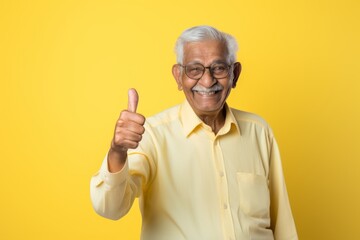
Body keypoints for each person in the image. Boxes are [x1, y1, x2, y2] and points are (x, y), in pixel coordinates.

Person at [90, 25, 298, 240]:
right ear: (179, 76)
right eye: (194, 69)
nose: (207, 81)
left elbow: (282, 224)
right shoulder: (151, 135)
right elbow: (109, 208)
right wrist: (117, 152)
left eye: (218, 68)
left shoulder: (259, 132)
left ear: (234, 74)